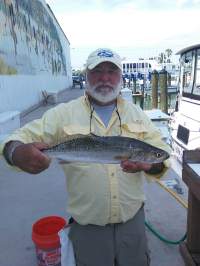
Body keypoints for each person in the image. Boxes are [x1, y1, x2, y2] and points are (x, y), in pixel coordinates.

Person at [1, 48, 171, 266]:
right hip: (88, 226)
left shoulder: (137, 114)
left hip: (133, 223)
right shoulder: (62, 113)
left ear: (120, 77)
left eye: (112, 71)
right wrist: (15, 152)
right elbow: (17, 137)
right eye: (97, 71)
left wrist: (150, 166)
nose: (105, 77)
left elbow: (161, 154)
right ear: (85, 75)